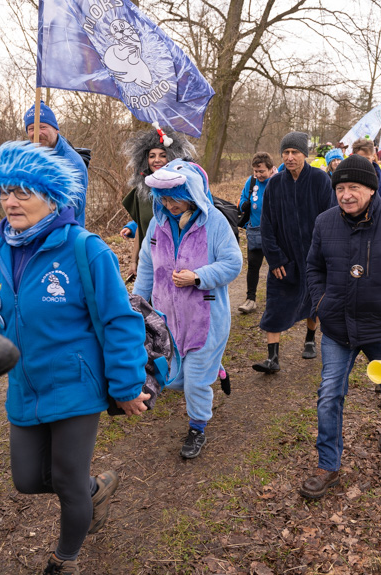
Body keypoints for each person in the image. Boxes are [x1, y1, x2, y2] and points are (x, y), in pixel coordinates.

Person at [0, 142, 150, 575]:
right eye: (5, 190)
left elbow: (120, 320)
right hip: (24, 387)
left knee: (65, 481)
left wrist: (124, 385)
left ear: (52, 197)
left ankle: (64, 559)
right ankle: (94, 490)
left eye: (23, 192)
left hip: (76, 385)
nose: (10, 200)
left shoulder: (85, 250)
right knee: (27, 480)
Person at [299, 154, 381, 499]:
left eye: (354, 188)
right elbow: (313, 268)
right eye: (340, 188)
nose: (346, 195)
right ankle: (328, 465)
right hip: (337, 327)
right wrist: (321, 302)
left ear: (371, 190)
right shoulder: (324, 222)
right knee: (330, 394)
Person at [133, 160, 242, 459]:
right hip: (167, 317)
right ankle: (214, 369)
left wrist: (198, 277)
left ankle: (197, 427)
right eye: (163, 199)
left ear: (191, 193)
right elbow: (146, 266)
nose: (169, 205)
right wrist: (138, 304)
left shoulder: (215, 223)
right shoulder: (158, 224)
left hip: (204, 318)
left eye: (174, 198)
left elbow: (233, 263)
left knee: (195, 380)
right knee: (173, 376)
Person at [253, 131, 335, 373]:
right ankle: (272, 358)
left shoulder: (320, 180)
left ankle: (310, 338)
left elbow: (330, 218)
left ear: (304, 154)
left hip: (313, 257)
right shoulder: (275, 184)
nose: (289, 157)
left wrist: (323, 255)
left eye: (295, 152)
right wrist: (275, 257)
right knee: (276, 303)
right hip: (284, 258)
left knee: (313, 300)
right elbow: (266, 225)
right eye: (286, 153)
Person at [120, 127, 197, 279]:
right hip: (149, 265)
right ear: (144, 159)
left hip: (179, 266)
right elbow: (142, 230)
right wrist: (134, 261)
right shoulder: (140, 192)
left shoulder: (185, 190)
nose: (157, 160)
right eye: (152, 156)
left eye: (163, 155)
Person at [23, 102, 90, 227]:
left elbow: (73, 207)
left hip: (64, 237)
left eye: (42, 127)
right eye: (31, 129)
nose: (37, 133)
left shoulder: (72, 162)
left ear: (56, 129)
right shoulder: (26, 157)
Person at [237, 152, 274, 313]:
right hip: (254, 230)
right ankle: (250, 299)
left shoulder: (277, 182)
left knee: (276, 267)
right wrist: (243, 204)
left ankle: (275, 301)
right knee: (253, 265)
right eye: (256, 171)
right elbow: (242, 198)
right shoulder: (251, 182)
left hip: (274, 233)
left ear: (271, 169)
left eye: (262, 171)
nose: (258, 175)